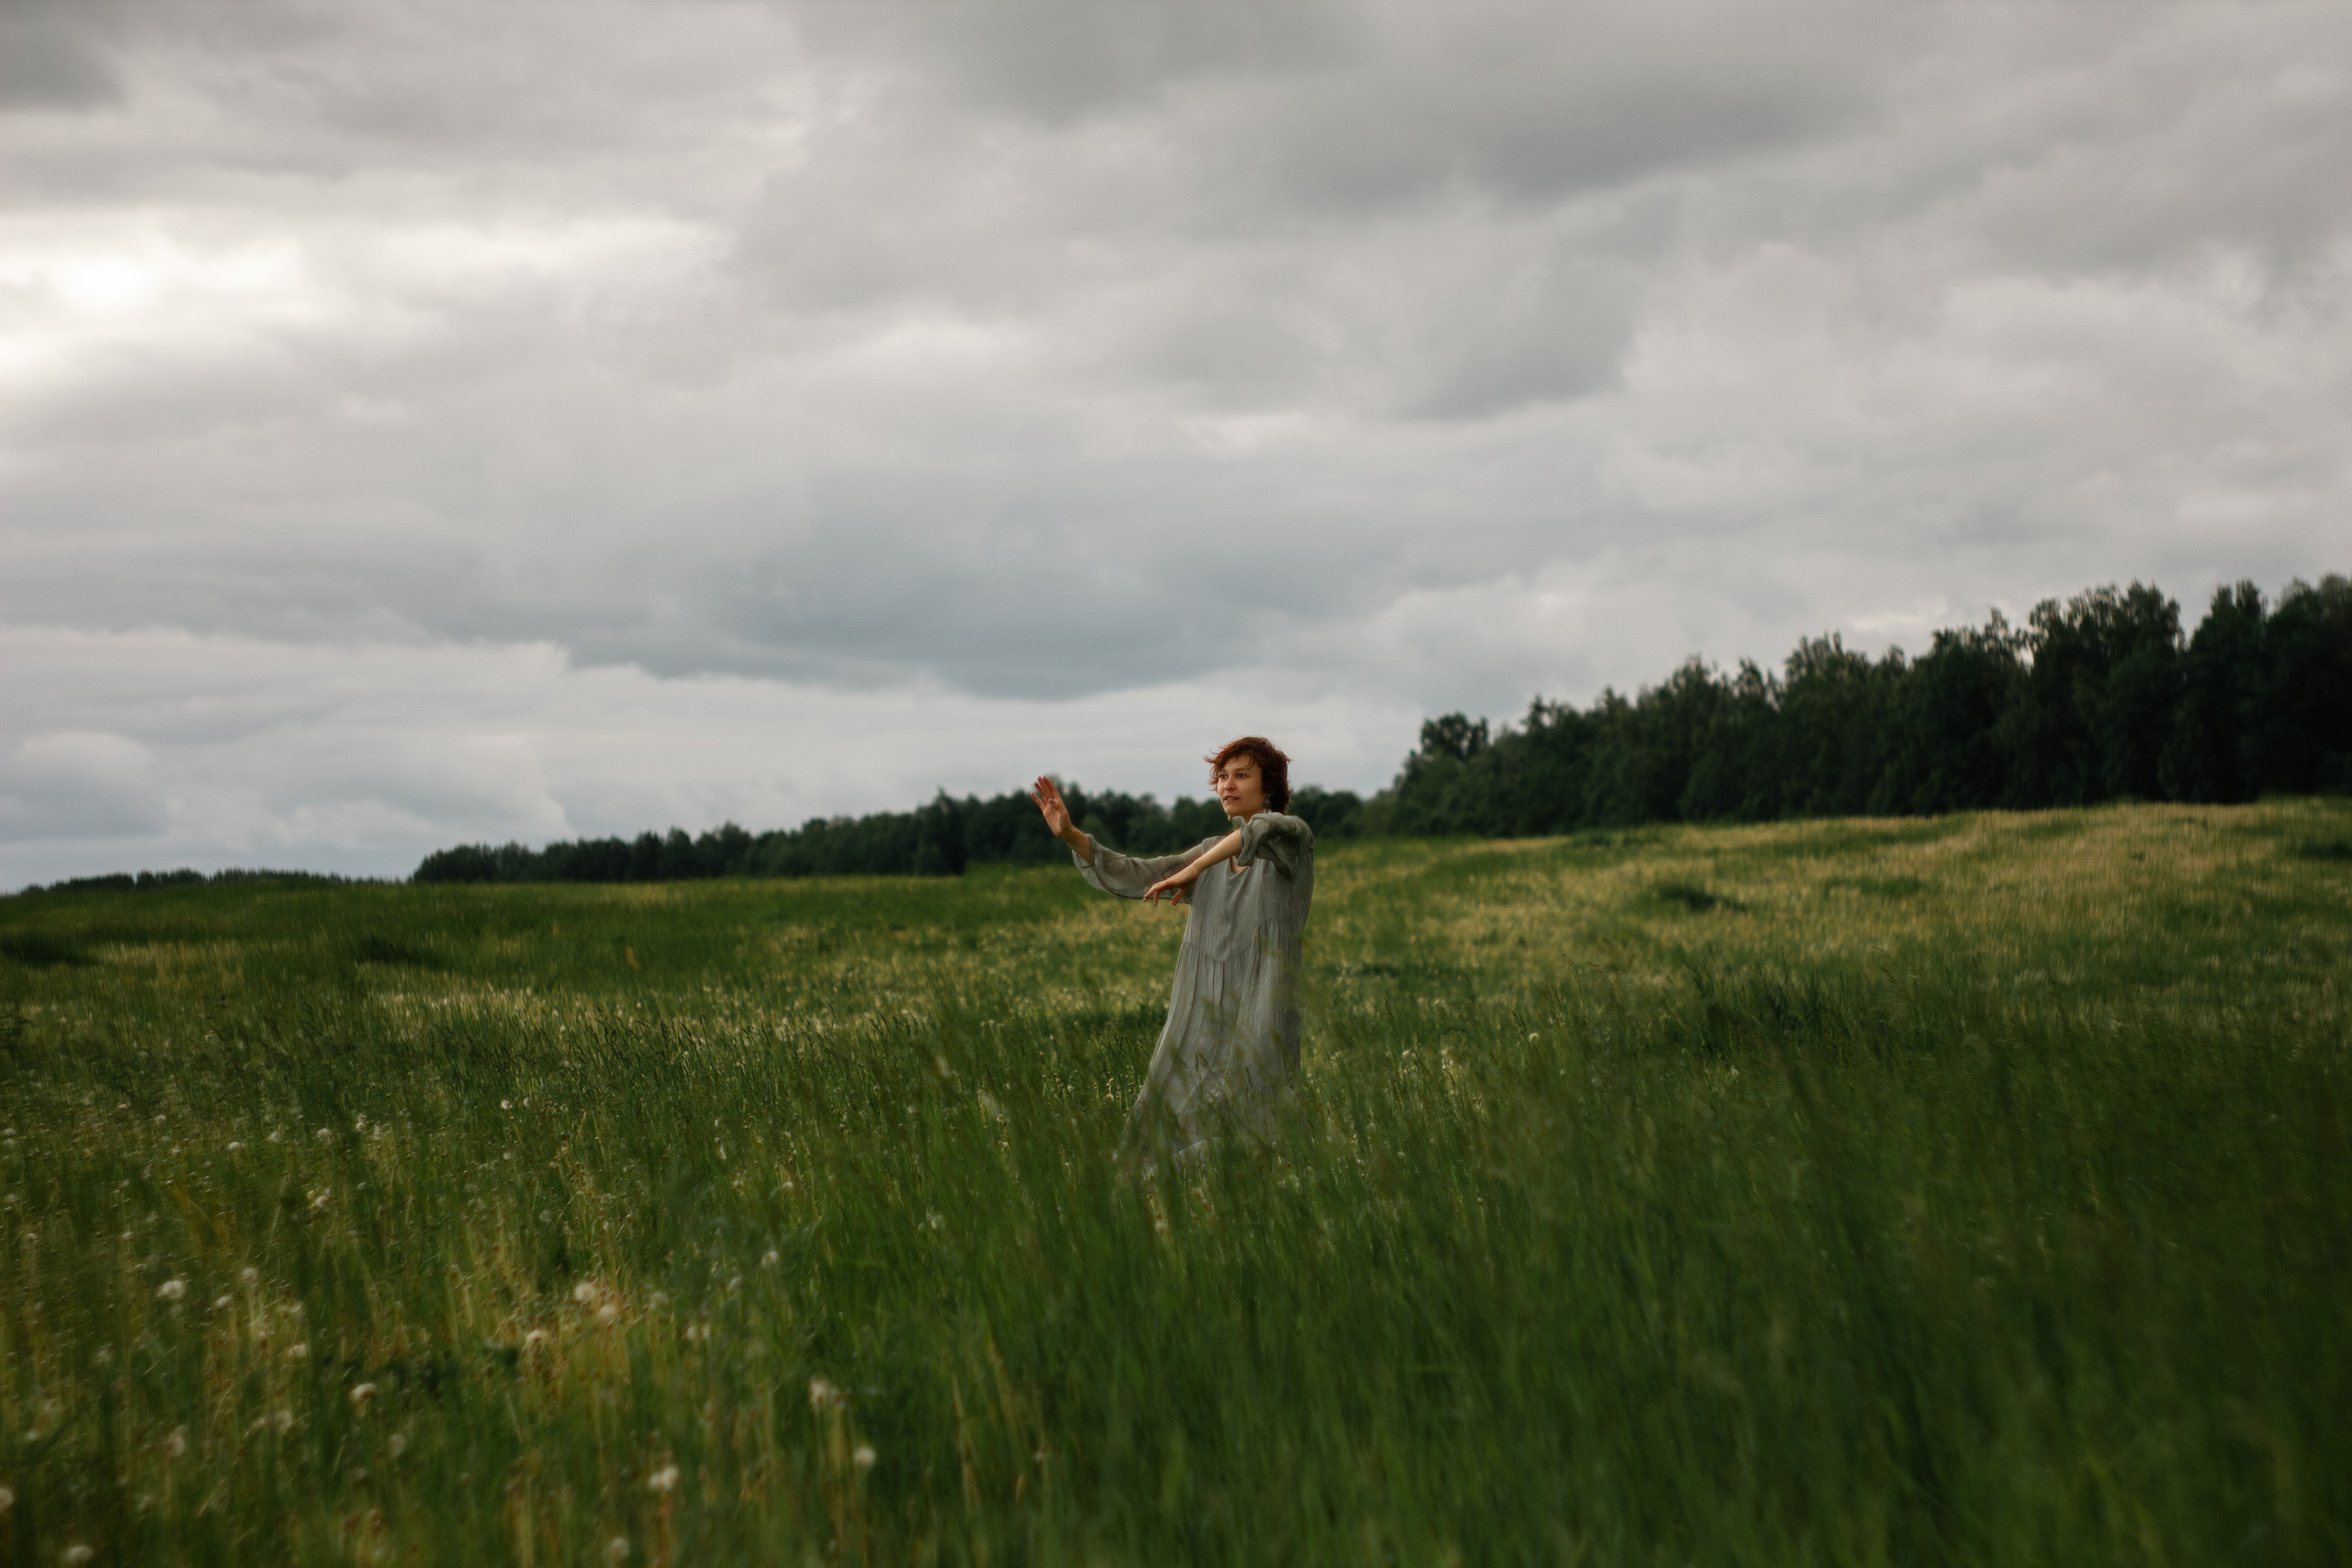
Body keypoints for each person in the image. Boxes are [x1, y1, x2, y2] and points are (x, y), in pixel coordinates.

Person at [1029, 738, 1316, 1172]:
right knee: (1165, 1123)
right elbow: (1138, 875)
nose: (1227, 785)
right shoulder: (1207, 852)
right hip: (1200, 1018)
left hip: (1260, 1016)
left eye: (1241, 775)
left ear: (1269, 785)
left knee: (1255, 1131)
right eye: (1222, 776)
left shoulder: (1293, 839)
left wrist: (1196, 868)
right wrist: (1071, 835)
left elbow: (1257, 832)